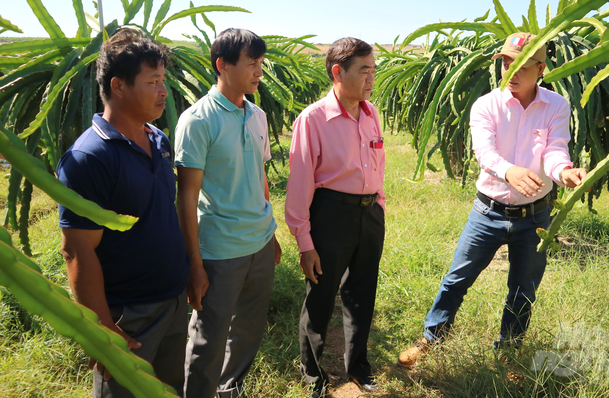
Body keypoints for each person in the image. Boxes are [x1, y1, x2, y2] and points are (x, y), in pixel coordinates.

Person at [398, 32, 588, 367]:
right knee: (457, 278)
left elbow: (555, 151)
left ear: (541, 68)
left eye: (523, 65)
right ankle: (431, 339)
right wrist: (510, 171)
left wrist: (565, 173)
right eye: (505, 62)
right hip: (488, 211)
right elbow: (484, 153)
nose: (511, 71)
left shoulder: (556, 105)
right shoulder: (486, 105)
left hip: (535, 217)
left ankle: (509, 355)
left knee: (523, 289)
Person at [58, 28, 190, 397]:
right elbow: (77, 250)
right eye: (153, 82)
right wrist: (101, 327)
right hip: (128, 315)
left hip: (173, 299)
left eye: (163, 80)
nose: (164, 91)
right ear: (118, 86)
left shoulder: (158, 139)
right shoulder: (89, 158)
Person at [175, 28, 281, 398]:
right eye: (251, 63)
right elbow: (186, 197)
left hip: (260, 241)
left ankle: (229, 388)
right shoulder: (197, 121)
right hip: (220, 249)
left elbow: (260, 177)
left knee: (249, 328)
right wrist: (195, 263)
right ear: (222, 65)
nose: (259, 71)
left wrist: (272, 233)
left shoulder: (258, 115)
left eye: (261, 63)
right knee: (209, 336)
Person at [285, 37, 386, 397]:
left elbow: (378, 165)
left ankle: (358, 367)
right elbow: (299, 185)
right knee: (321, 296)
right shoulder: (313, 119)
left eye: (373, 70)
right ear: (337, 72)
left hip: (369, 214)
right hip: (330, 215)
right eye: (364, 71)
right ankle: (313, 375)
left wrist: (380, 205)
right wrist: (304, 241)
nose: (371, 78)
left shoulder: (371, 114)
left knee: (362, 294)